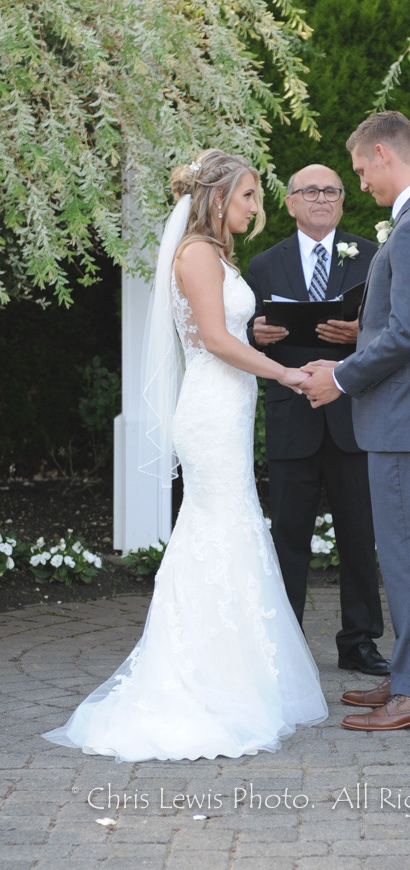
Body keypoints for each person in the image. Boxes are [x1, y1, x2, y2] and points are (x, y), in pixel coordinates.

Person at [43, 148, 327, 761]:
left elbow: (223, 330)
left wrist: (260, 340)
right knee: (216, 529)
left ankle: (231, 672)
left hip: (228, 408)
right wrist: (284, 372)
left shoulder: (216, 254)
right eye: (248, 196)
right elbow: (216, 340)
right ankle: (201, 679)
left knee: (230, 527)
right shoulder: (196, 253)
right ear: (218, 198)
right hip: (210, 412)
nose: (256, 208)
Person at [301, 113, 410, 731]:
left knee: (406, 556)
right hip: (404, 413)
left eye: (361, 170)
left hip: (404, 417)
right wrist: (343, 358)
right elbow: (398, 330)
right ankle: (409, 676)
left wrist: (340, 379)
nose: (361, 182)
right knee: (407, 552)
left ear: (382, 153)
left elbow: (408, 333)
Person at [246, 164, 388, 677]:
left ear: (343, 201)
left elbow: (394, 330)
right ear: (289, 203)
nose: (321, 198)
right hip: (292, 415)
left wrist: (358, 334)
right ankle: (287, 645)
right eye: (310, 191)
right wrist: (255, 334)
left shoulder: (372, 257)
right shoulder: (264, 264)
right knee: (288, 536)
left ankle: (359, 642)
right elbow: (240, 330)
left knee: (359, 536)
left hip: (353, 413)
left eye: (331, 190)